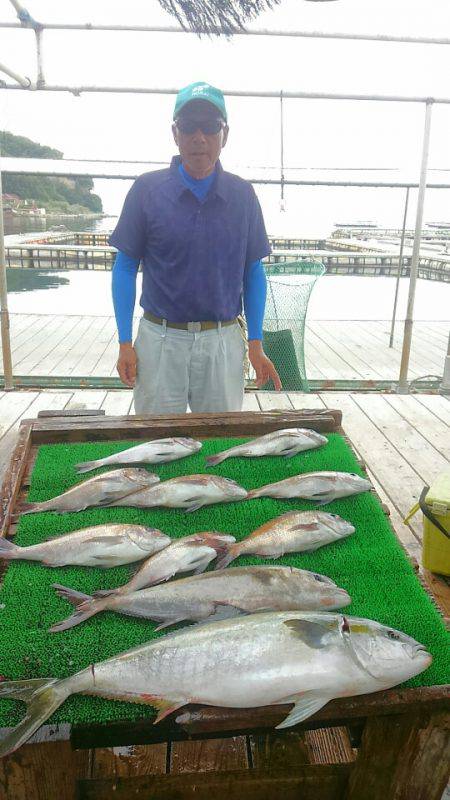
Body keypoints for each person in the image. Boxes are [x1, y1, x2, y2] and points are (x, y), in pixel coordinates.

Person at [110, 81, 281, 414]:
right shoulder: (146, 190)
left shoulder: (243, 196)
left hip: (222, 339)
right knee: (155, 442)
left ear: (225, 134)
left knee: (220, 440)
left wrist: (257, 344)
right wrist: (124, 342)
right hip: (159, 339)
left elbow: (253, 270)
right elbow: (125, 265)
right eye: (189, 126)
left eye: (210, 126)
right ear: (175, 133)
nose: (199, 137)